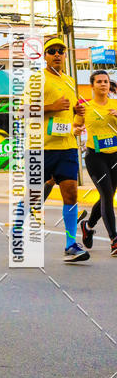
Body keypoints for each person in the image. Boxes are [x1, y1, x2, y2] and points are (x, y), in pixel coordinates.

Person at [35, 35, 88, 262]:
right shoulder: (37, 79)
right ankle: (18, 229)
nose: (57, 54)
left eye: (60, 51)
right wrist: (51, 106)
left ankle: (70, 243)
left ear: (65, 55)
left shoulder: (68, 81)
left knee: (70, 193)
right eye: (52, 51)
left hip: (66, 146)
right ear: (45, 56)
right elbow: (22, 110)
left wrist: (78, 115)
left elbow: (72, 119)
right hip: (42, 147)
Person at [78, 70, 117, 255]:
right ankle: (114, 240)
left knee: (106, 196)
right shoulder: (85, 107)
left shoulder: (116, 104)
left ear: (110, 85)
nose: (103, 84)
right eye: (99, 81)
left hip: (115, 156)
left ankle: (88, 225)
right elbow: (74, 126)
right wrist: (76, 130)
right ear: (92, 85)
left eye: (106, 81)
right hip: (95, 157)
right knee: (107, 195)